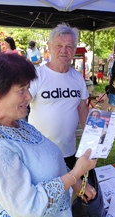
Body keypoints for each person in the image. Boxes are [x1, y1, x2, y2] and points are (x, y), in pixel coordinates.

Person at [0, 53, 97, 217]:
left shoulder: (11, 122)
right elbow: (30, 209)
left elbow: (47, 157)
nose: (29, 97)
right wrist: (75, 175)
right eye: (21, 90)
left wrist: (73, 182)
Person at [28, 23, 89, 170]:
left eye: (69, 46)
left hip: (69, 151)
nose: (64, 50)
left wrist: (90, 140)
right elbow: (20, 106)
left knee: (69, 188)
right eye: (58, 45)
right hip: (40, 151)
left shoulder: (78, 78)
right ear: (49, 47)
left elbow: (82, 109)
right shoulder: (36, 76)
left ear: (74, 50)